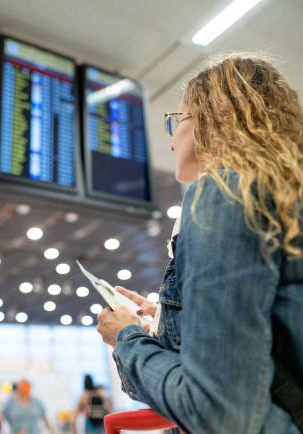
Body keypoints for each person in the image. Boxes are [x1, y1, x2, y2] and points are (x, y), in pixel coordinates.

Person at [95, 53, 303, 433]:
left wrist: (126, 339)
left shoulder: (224, 191)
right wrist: (166, 325)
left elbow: (219, 411)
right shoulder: (285, 197)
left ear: (211, 120)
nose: (172, 140)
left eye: (176, 121)